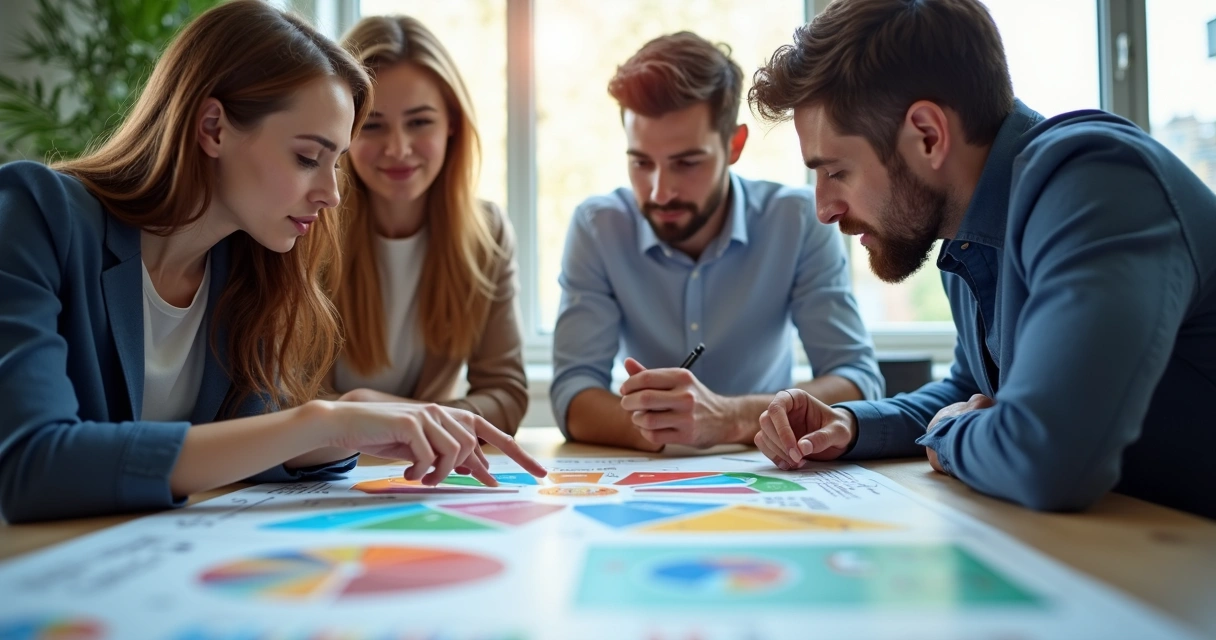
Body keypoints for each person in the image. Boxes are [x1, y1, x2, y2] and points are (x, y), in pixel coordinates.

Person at [0, 0, 544, 524]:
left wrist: (341, 427)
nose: (332, 194)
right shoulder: (38, 214)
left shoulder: (251, 266)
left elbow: (249, 439)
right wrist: (322, 419)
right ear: (212, 128)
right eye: (308, 158)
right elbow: (33, 464)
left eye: (336, 162)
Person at [750, 0, 1216, 519]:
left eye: (837, 172)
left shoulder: (1097, 184)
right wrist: (851, 425)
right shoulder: (968, 235)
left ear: (928, 134)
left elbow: (1050, 456)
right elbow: (971, 390)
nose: (823, 209)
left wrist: (950, 432)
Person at [551, 31, 884, 452]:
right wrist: (676, 427)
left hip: (769, 471)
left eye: (686, 163)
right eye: (640, 162)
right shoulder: (598, 227)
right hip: (650, 474)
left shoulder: (799, 221)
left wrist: (728, 419)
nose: (659, 192)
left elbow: (857, 379)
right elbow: (573, 393)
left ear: (734, 145)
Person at [329, 16, 528, 436]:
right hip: (317, 469)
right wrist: (408, 419)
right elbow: (271, 396)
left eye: (419, 122)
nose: (398, 149)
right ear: (340, 130)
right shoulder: (300, 229)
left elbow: (506, 395)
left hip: (414, 468)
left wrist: (388, 414)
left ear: (452, 124)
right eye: (372, 125)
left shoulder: (485, 234)